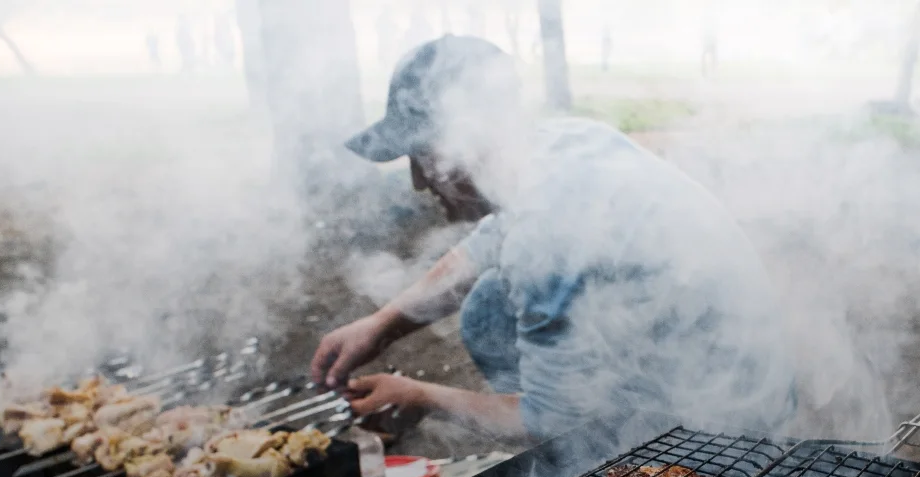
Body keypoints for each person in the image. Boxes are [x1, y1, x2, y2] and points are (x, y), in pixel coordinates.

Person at [313, 36, 796, 445]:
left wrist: (420, 395)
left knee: (553, 409)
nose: (419, 181)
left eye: (420, 156)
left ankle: (599, 463)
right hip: (739, 368)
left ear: (457, 145)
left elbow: (551, 417)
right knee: (487, 303)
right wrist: (380, 325)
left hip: (723, 424)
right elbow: (486, 244)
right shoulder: (566, 142)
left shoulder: (549, 238)